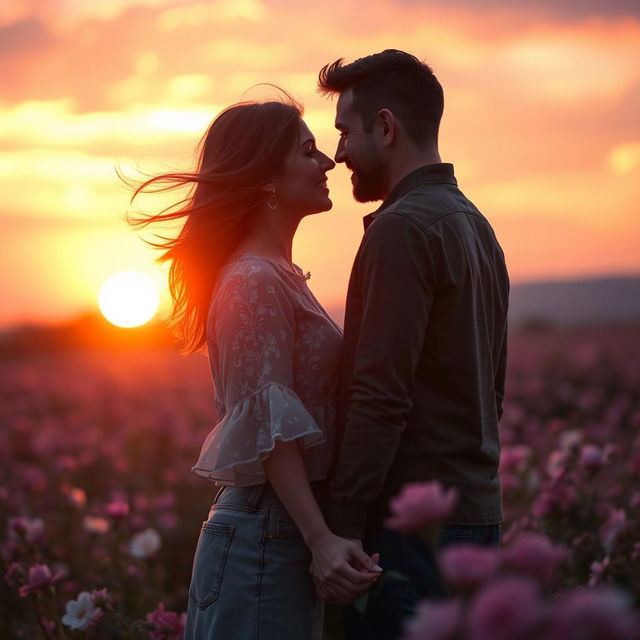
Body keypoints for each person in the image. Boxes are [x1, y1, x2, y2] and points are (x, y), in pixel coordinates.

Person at [124, 91, 382, 640]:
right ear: (266, 177)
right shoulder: (253, 280)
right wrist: (319, 539)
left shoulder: (276, 274)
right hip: (268, 534)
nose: (328, 162)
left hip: (278, 531)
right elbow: (269, 428)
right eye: (309, 151)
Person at [311, 50, 510, 639]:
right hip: (474, 518)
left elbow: (380, 394)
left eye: (345, 131)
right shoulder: (475, 224)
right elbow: (490, 386)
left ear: (386, 127)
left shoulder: (401, 230)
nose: (339, 151)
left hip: (408, 530)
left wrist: (342, 525)